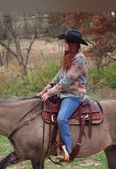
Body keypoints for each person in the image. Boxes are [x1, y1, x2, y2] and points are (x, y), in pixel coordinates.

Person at [37, 28, 89, 161]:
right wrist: (45, 89)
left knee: (61, 118)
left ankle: (68, 150)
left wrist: (50, 93)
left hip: (74, 94)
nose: (64, 44)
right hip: (63, 93)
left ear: (73, 44)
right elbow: (59, 76)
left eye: (66, 42)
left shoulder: (79, 59)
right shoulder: (68, 57)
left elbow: (67, 80)